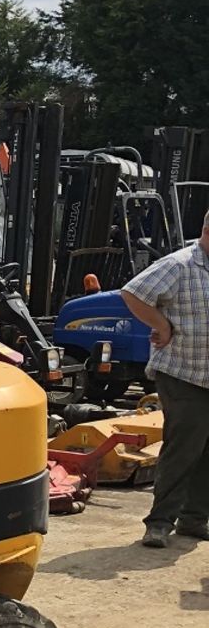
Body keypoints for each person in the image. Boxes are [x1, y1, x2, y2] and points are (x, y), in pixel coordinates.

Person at [121, 215, 209, 547]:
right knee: (184, 448)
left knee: (207, 450)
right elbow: (133, 293)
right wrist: (161, 324)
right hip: (185, 374)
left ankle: (194, 518)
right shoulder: (180, 265)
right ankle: (159, 521)